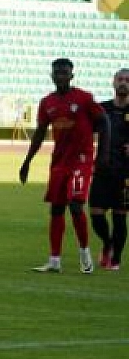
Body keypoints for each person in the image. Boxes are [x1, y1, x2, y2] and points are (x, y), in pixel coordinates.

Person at [21, 57, 103, 273]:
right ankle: (54, 260)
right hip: (59, 163)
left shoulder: (84, 98)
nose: (60, 76)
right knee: (56, 209)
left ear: (71, 75)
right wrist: (27, 160)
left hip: (81, 161)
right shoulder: (47, 102)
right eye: (57, 72)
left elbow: (103, 122)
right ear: (52, 75)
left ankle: (84, 253)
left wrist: (103, 153)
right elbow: (39, 133)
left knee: (76, 205)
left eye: (64, 72)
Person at [86, 67, 128, 271]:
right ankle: (107, 242)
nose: (123, 83)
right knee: (95, 214)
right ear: (113, 82)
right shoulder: (101, 109)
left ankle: (116, 258)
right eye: (120, 79)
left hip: (126, 174)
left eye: (127, 80)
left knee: (120, 217)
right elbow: (84, 130)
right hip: (102, 170)